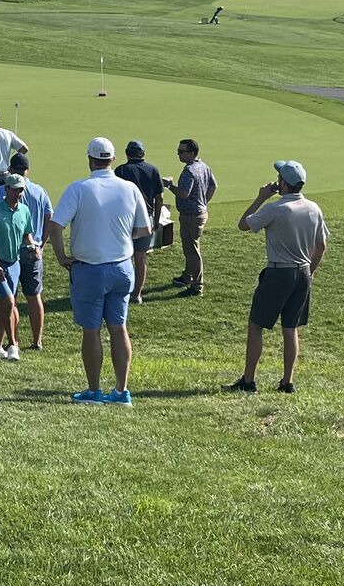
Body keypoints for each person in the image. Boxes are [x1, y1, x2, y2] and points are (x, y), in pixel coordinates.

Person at [46, 137, 149, 405]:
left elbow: (56, 226)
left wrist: (61, 257)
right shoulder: (129, 189)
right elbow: (145, 230)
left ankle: (93, 390)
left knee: (91, 331)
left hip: (89, 269)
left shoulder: (79, 188)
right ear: (113, 160)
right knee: (119, 327)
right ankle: (121, 390)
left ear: (90, 159)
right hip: (123, 268)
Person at [230, 159, 328, 395]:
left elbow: (243, 225)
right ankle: (287, 382)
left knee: (256, 325)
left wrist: (262, 197)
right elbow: (321, 245)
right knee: (290, 328)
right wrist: (310, 272)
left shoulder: (275, 209)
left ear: (282, 183)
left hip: (278, 272)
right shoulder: (314, 208)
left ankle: (249, 380)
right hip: (303, 272)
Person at [0, 150, 51, 351]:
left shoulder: (2, 191)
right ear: (27, 171)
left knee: (11, 299)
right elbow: (49, 217)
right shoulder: (39, 191)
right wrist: (41, 245)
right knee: (34, 297)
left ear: (10, 170)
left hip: (10, 252)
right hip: (33, 250)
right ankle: (37, 341)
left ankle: (13, 341)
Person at [0, 174, 39, 360]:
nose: (18, 193)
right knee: (9, 301)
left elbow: (27, 235)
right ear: (6, 189)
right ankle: (13, 344)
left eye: (20, 190)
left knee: (5, 305)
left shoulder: (24, 211)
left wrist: (32, 247)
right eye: (14, 189)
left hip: (14, 264)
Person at [164, 138, 218, 295]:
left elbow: (183, 193)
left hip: (191, 216)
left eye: (181, 152)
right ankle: (187, 276)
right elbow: (213, 186)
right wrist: (204, 202)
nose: (178, 154)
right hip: (200, 213)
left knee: (192, 250)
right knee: (189, 247)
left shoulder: (189, 170)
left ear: (192, 153)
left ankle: (197, 285)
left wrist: (169, 186)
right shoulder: (203, 166)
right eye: (178, 151)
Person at [116, 140, 166, 305]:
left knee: (122, 256)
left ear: (127, 153)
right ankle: (136, 294)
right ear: (142, 153)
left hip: (125, 220)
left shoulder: (121, 170)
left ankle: (122, 291)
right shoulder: (152, 169)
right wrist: (157, 220)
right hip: (147, 219)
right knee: (141, 257)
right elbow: (159, 197)